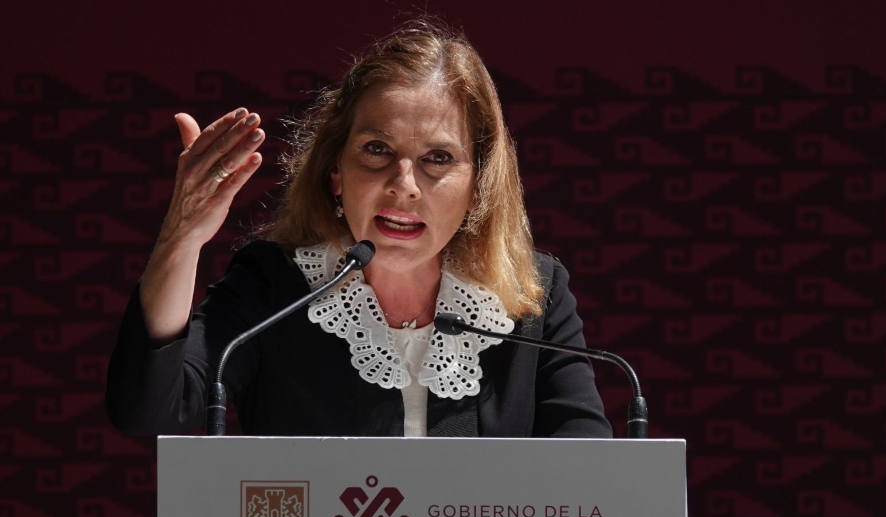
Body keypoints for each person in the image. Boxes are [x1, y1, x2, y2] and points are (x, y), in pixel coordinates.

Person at [105, 22, 612, 438]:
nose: (404, 185)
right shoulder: (272, 285)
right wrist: (182, 238)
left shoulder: (533, 298)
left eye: (438, 158)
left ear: (478, 186)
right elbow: (149, 413)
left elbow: (592, 483)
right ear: (336, 174)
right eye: (376, 150)